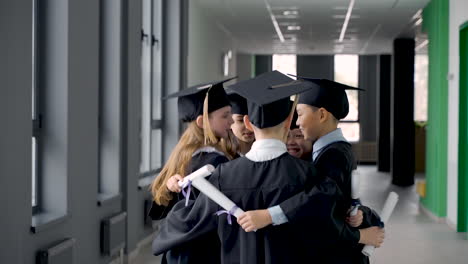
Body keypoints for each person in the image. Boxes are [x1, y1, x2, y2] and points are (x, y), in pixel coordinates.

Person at [152, 71, 381, 263]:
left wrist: (181, 193)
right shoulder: (310, 176)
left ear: (249, 123)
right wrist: (362, 232)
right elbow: (326, 226)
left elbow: (184, 226)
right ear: (290, 118)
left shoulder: (222, 177)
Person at [238, 77, 384, 264]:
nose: (297, 122)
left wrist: (268, 215)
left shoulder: (335, 154)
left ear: (321, 115)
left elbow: (321, 196)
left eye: (300, 114)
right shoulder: (327, 150)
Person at [148, 77, 237, 264]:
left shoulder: (182, 156)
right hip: (204, 251)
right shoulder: (214, 161)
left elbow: (161, 203)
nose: (231, 121)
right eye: (225, 115)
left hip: (180, 250)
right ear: (202, 121)